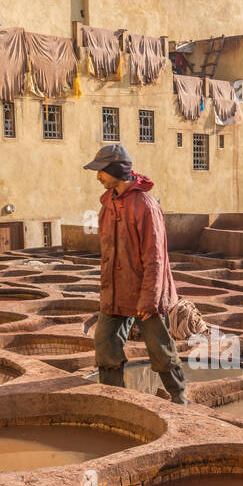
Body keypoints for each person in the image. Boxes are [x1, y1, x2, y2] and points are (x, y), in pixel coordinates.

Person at [83, 143, 188, 405]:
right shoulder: (108, 205)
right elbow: (107, 254)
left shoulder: (145, 205)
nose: (98, 177)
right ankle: (114, 399)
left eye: (102, 172)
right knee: (105, 344)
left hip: (144, 294)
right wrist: (106, 291)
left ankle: (179, 397)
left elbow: (156, 258)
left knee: (159, 349)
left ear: (116, 170)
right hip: (115, 293)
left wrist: (150, 299)